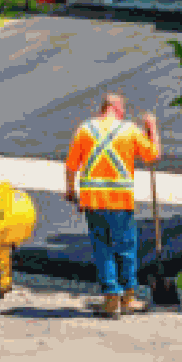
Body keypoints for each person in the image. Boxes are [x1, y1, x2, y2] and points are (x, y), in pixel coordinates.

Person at [63, 92, 160, 318]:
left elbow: (71, 166)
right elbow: (153, 155)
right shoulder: (130, 130)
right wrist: (152, 127)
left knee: (102, 249)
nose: (124, 112)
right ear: (116, 107)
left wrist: (70, 191)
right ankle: (128, 298)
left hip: (93, 202)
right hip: (120, 202)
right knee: (126, 249)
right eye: (123, 108)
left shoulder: (85, 129)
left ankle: (110, 299)